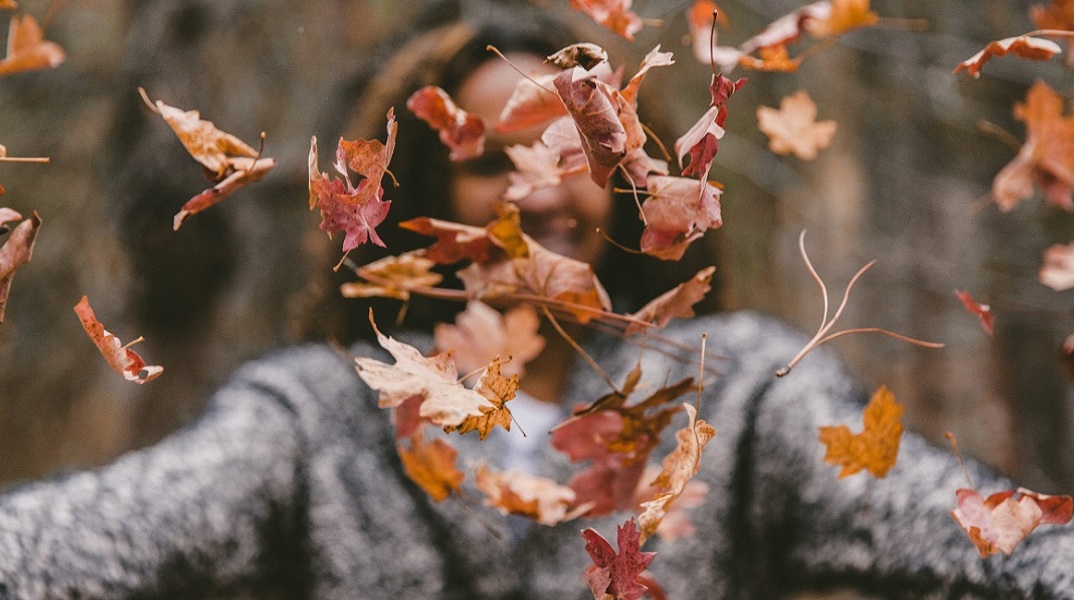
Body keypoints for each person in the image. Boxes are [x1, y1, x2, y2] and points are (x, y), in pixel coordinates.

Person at [0, 5, 1072, 600]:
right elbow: (100, 533)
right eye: (488, 164)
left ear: (621, 172)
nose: (535, 189)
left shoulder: (738, 390)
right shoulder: (320, 417)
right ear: (425, 204)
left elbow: (977, 535)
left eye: (568, 149)